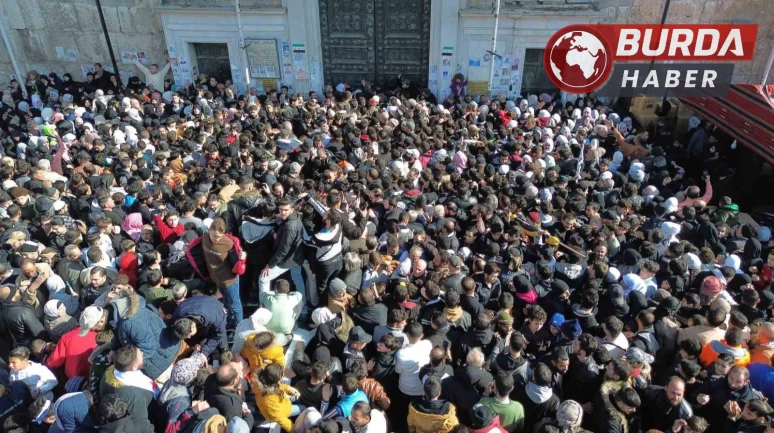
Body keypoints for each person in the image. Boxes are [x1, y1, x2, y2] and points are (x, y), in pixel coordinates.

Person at [201, 217, 245, 328]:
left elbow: (239, 256)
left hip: (229, 279)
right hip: (216, 278)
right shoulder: (204, 236)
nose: (216, 239)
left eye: (219, 237)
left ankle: (240, 327)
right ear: (209, 231)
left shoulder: (228, 242)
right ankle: (231, 321)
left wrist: (243, 257)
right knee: (226, 302)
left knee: (235, 305)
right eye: (214, 236)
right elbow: (192, 243)